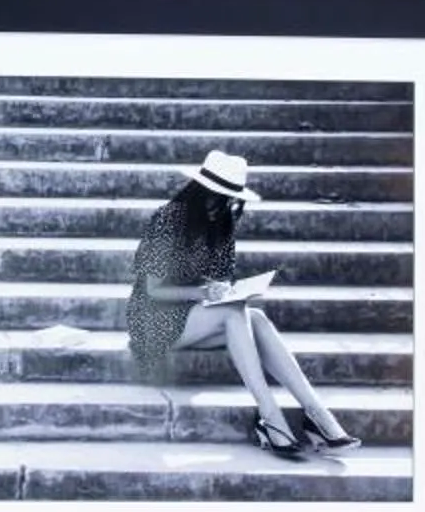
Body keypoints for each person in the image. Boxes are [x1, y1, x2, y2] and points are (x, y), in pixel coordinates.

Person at [125, 150, 361, 458]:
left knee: (257, 318)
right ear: (199, 192)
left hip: (196, 316)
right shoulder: (169, 219)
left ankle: (316, 414)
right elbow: (153, 291)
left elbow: (216, 279)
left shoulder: (222, 223)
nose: (221, 205)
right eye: (215, 197)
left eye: (228, 199)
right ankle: (270, 416)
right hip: (152, 319)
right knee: (235, 314)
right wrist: (201, 294)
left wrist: (220, 289)